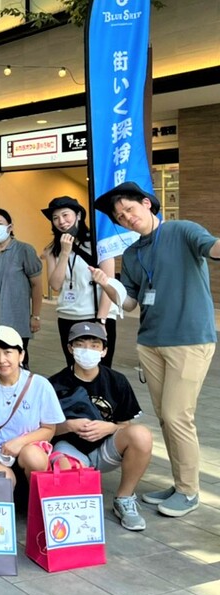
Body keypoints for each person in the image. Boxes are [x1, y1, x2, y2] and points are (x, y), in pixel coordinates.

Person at [92, 181, 219, 517]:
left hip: (189, 339)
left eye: (130, 209)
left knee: (178, 416)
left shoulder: (182, 230)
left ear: (147, 204)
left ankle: (190, 491)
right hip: (151, 343)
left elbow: (212, 248)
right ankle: (181, 483)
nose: (127, 218)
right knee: (166, 418)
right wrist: (109, 285)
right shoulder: (133, 253)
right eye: (120, 217)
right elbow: (132, 303)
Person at [48, 322, 152, 531]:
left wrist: (110, 428)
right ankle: (73, 517)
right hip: (69, 448)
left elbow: (125, 425)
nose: (87, 350)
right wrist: (68, 425)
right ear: (70, 348)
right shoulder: (54, 384)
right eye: (80, 344)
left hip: (105, 449)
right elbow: (46, 431)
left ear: (104, 351)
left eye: (95, 345)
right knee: (64, 467)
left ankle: (124, 498)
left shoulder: (117, 381)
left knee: (141, 435)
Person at [0, 326, 65, 483]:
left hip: (28, 447)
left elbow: (49, 429)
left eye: (7, 352)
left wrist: (20, 442)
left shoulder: (40, 384)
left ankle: (34, 499)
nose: (1, 359)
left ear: (21, 355)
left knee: (34, 458)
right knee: (5, 480)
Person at [42, 195, 119, 367]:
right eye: (55, 218)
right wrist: (64, 253)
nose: (61, 221)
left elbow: (109, 284)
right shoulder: (52, 249)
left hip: (96, 316)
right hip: (68, 316)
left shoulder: (98, 243)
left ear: (78, 215)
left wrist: (101, 321)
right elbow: (55, 285)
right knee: (74, 367)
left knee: (101, 368)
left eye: (65, 215)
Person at [0, 208, 43, 364]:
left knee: (15, 361)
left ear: (10, 227)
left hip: (15, 318)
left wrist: (36, 316)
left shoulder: (24, 250)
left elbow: (36, 285)